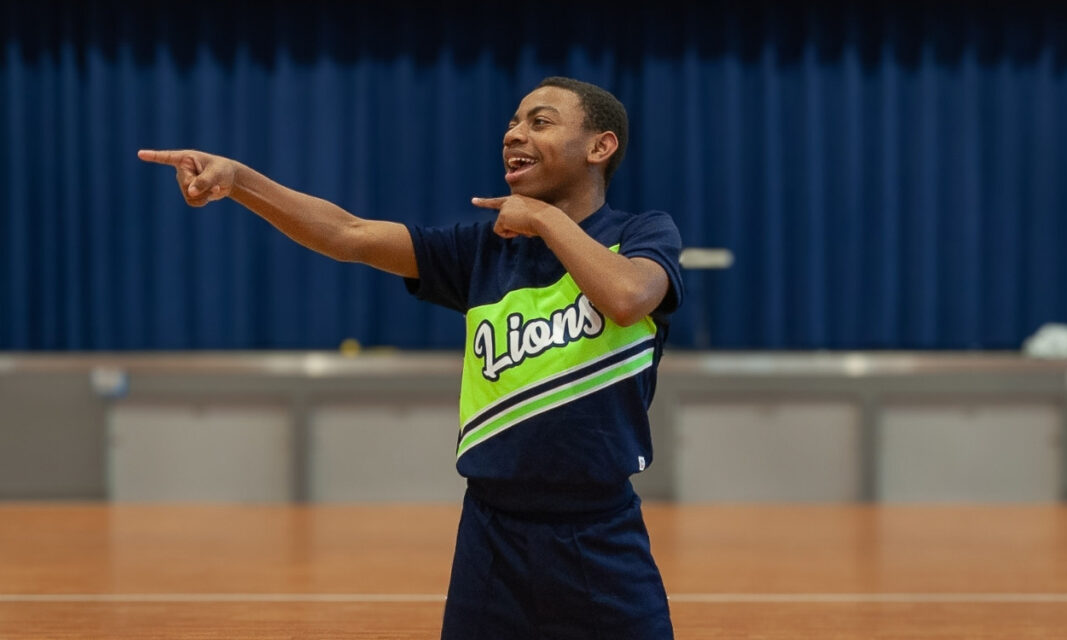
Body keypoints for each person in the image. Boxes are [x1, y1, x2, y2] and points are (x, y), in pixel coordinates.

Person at [136, 76, 683, 639]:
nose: (513, 134)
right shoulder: (482, 251)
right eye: (512, 123)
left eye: (539, 122)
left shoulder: (642, 233)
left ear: (600, 146)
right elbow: (347, 233)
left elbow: (626, 297)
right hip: (491, 538)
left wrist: (544, 219)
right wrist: (240, 181)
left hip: (599, 535)